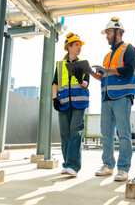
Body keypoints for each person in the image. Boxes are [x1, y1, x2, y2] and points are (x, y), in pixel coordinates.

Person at [91, 17, 135, 181]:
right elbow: (104, 76)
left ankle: (123, 168)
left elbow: (129, 71)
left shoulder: (129, 49)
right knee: (106, 134)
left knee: (124, 134)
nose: (107, 36)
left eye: (109, 33)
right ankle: (108, 165)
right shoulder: (107, 56)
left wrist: (108, 70)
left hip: (122, 97)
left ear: (118, 32)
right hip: (106, 97)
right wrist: (91, 72)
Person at [52, 32, 90, 177]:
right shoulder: (60, 65)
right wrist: (55, 99)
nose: (79, 47)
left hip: (79, 103)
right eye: (76, 45)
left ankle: (73, 166)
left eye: (80, 45)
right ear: (68, 47)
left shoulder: (83, 64)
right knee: (65, 134)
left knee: (75, 132)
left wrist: (81, 80)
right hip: (63, 103)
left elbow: (86, 84)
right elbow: (55, 83)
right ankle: (67, 164)